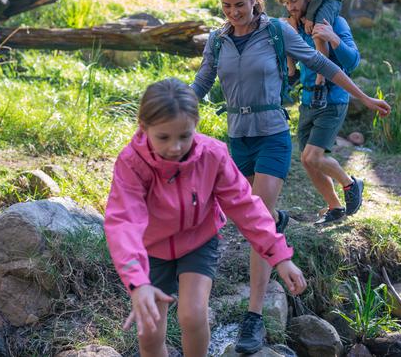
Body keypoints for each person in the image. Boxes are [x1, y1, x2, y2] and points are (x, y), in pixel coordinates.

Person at [191, 0, 390, 354]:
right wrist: (169, 116)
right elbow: (200, 85)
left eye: (240, 5)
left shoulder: (278, 32)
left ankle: (253, 317)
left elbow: (323, 65)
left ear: (255, 0)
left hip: (272, 135)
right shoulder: (217, 42)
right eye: (226, 6)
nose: (234, 12)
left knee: (257, 222)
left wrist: (364, 98)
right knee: (255, 217)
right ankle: (277, 222)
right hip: (238, 138)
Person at [105, 78, 307, 357]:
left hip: (198, 240)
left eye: (184, 136)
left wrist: (280, 257)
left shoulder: (213, 155)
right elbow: (124, 222)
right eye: (163, 137)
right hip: (150, 249)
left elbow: (245, 205)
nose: (175, 147)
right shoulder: (131, 162)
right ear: (144, 127)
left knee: (193, 314)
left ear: (196, 126)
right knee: (150, 331)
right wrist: (137, 283)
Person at [279, 0, 363, 226]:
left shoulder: (335, 22)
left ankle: (351, 184)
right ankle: (334, 206)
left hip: (334, 98)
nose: (291, 6)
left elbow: (352, 63)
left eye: (294, 0)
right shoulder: (292, 26)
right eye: (286, 2)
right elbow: (291, 73)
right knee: (308, 160)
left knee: (313, 156)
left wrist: (333, 37)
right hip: (307, 99)